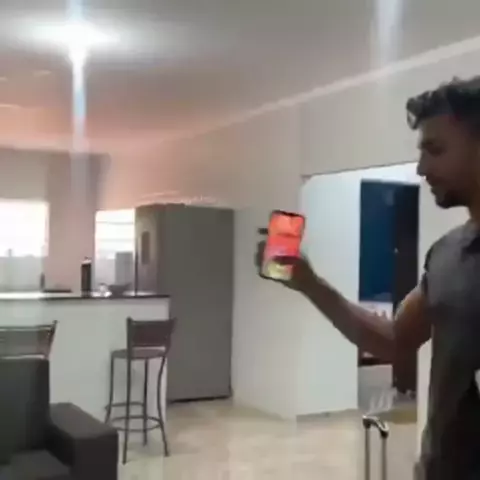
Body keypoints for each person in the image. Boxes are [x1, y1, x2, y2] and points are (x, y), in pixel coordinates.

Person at [260, 77, 480, 480]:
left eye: (436, 150)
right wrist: (309, 283)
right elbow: (394, 340)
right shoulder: (448, 253)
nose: (422, 168)